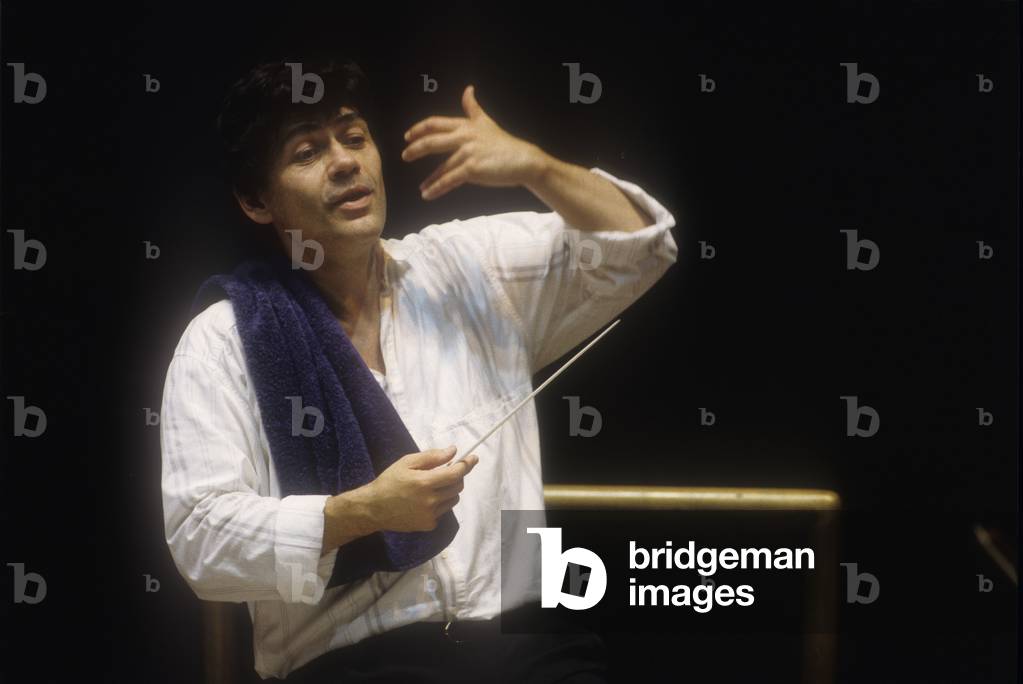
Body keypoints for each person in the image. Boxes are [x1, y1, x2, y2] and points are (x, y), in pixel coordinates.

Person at [160, 56, 678, 682]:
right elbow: (201, 538)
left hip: (531, 645)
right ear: (255, 199)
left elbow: (639, 249)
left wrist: (536, 167)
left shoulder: (467, 265)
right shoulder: (224, 338)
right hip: (358, 662)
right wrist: (363, 511)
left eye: (354, 137)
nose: (346, 161)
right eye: (306, 152)